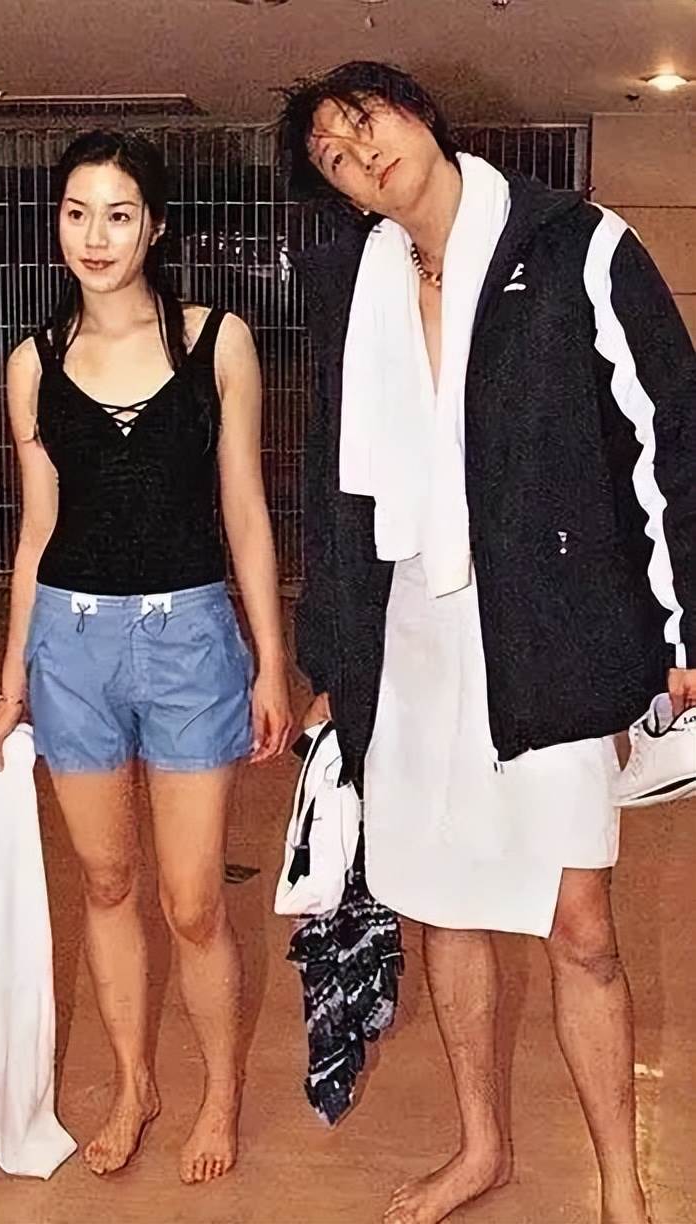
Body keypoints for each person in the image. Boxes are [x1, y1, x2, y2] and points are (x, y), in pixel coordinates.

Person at [277, 61, 695, 1224]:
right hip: (414, 637)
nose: (361, 157)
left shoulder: (573, 246)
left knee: (579, 926)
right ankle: (480, 1149)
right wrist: (333, 661)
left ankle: (621, 1187)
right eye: (332, 157)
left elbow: (669, 436)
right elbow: (334, 492)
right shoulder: (355, 285)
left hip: (549, 631)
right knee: (441, 901)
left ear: (419, 114)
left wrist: (682, 624)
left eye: (366, 123)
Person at [0, 130, 293, 1184]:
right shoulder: (32, 362)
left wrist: (270, 662)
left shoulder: (217, 342)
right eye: (77, 213)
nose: (96, 236)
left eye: (118, 214)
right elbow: (36, 532)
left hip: (191, 638)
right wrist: (12, 681)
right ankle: (132, 1084)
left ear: (154, 226)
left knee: (192, 898)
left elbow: (245, 512)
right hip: (70, 644)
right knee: (107, 883)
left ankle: (219, 1094)